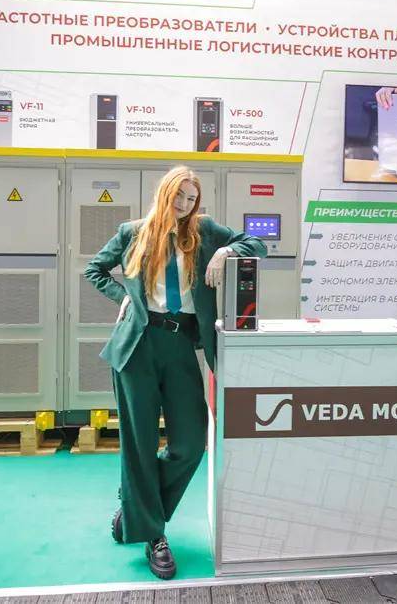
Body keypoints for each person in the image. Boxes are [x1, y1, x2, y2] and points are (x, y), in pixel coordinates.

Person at [84, 166, 267, 580]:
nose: (185, 204)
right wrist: (123, 296)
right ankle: (154, 535)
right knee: (140, 444)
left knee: (190, 444)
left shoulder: (204, 232)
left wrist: (226, 252)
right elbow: (95, 269)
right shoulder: (132, 232)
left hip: (182, 344)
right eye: (180, 196)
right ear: (165, 193)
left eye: (192, 198)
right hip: (137, 346)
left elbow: (257, 244)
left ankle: (136, 507)